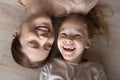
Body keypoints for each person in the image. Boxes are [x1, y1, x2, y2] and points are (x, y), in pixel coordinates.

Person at [11, 0, 99, 68]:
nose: (44, 38)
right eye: (48, 45)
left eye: (33, 43)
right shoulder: (79, 4)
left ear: (17, 33)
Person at [39, 3, 110, 80]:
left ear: (88, 43)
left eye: (77, 35)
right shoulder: (49, 67)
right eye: (63, 34)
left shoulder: (95, 70)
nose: (69, 39)